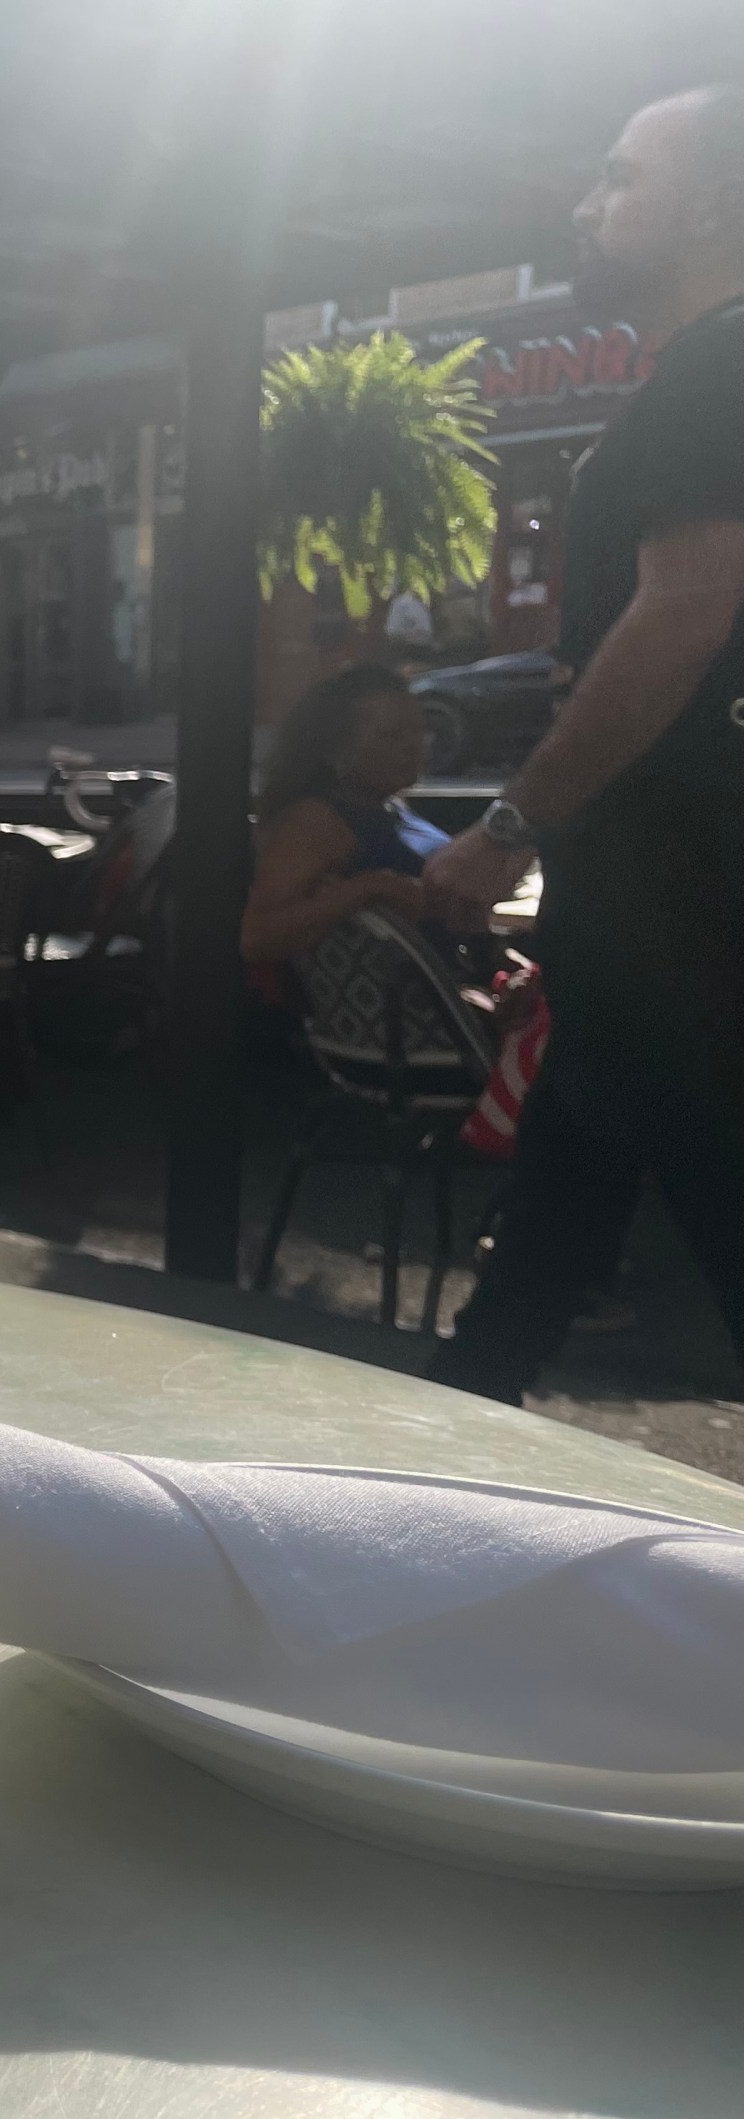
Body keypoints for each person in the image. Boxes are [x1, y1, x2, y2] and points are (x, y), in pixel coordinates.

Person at [420, 84, 744, 1404]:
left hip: (682, 914)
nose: (585, 203)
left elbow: (682, 611)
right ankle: (431, 1460)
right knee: (555, 1222)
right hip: (655, 919)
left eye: (621, 177)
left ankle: (426, 1462)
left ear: (716, 202)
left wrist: (507, 827)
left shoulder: (722, 364)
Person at [239, 664, 455, 966]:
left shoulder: (387, 807)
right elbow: (258, 936)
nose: (413, 747)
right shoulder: (315, 821)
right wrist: (370, 888)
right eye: (392, 736)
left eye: (419, 731)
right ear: (336, 750)